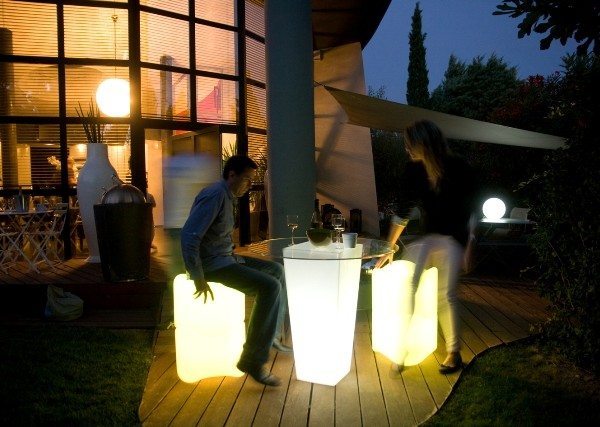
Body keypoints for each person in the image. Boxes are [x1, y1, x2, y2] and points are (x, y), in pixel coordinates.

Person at [376, 120, 479, 375]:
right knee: (410, 288)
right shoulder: (414, 170)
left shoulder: (458, 167)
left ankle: (454, 353)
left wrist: (470, 245)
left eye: (409, 144)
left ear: (424, 143)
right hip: (429, 237)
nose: (406, 149)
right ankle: (401, 351)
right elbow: (403, 212)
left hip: (454, 238)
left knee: (445, 295)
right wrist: (389, 248)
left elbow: (471, 210)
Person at [180, 155, 289, 387]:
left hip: (226, 258)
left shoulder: (227, 196)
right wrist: (197, 276)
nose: (249, 185)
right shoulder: (215, 195)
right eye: (247, 179)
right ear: (232, 175)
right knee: (269, 287)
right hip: (212, 265)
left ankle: (270, 336)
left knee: (277, 270)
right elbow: (189, 236)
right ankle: (252, 360)